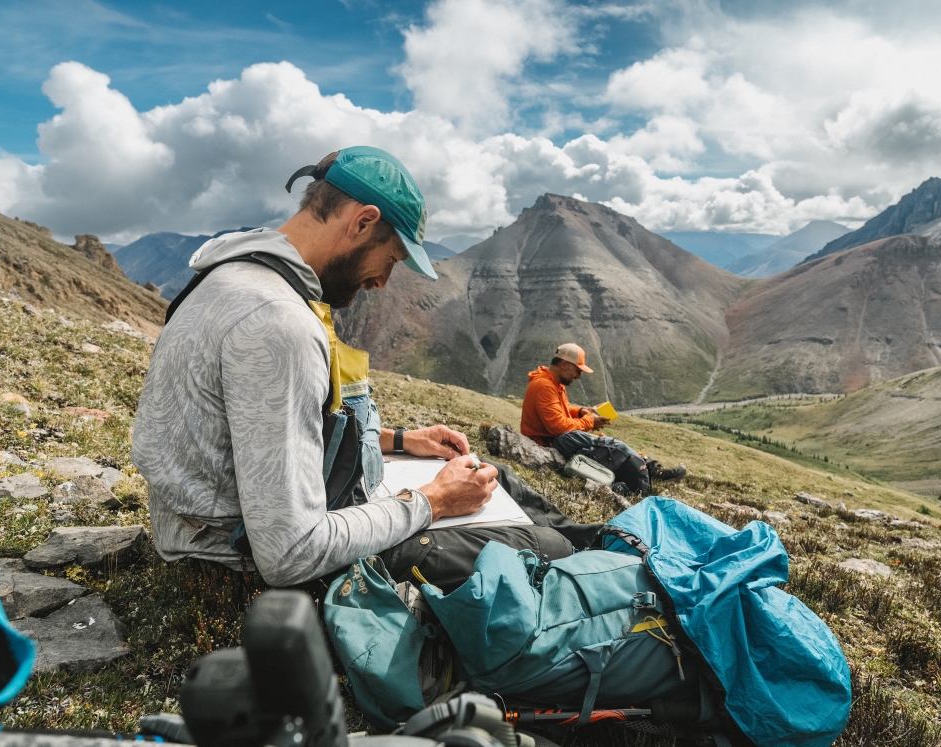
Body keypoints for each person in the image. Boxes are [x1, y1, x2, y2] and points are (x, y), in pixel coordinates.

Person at [132, 147, 596, 588]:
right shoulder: (277, 323)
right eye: (390, 259)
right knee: (548, 548)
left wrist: (399, 441)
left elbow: (257, 431)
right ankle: (599, 566)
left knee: (486, 474)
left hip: (224, 519)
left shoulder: (235, 275)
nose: (381, 281)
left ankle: (604, 547)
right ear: (363, 221)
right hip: (233, 551)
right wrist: (431, 502)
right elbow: (290, 551)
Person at [520, 343, 686, 494]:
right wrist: (590, 421)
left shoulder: (554, 384)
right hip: (549, 442)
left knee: (603, 444)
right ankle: (649, 470)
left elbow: (560, 410)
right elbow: (557, 425)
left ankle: (650, 467)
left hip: (557, 437)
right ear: (564, 365)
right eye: (578, 371)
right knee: (605, 446)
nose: (578, 377)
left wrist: (581, 412)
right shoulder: (545, 386)